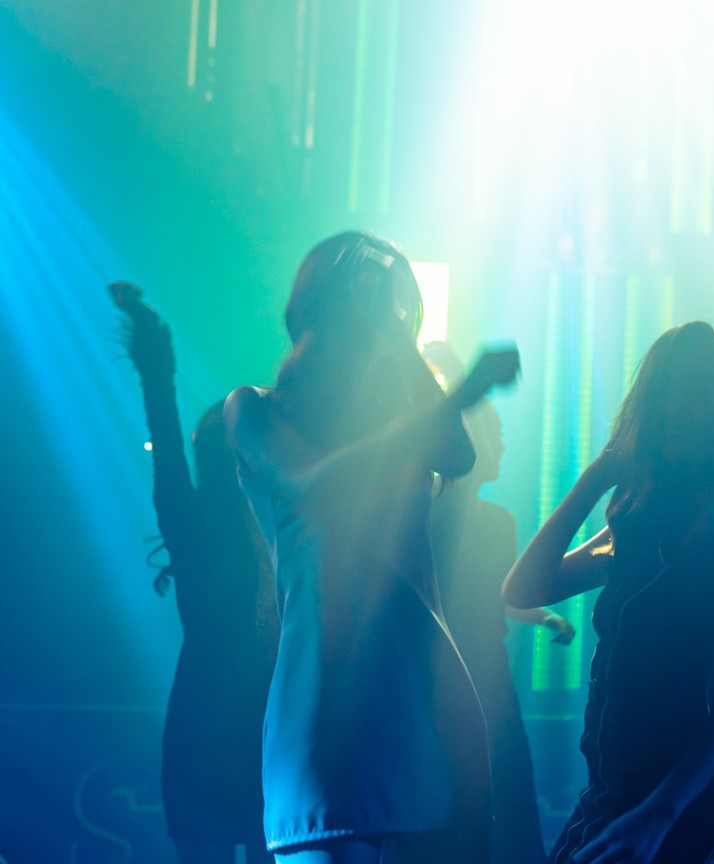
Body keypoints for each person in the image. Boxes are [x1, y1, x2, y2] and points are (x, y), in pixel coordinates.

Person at [224, 232, 520, 864]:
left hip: (432, 697)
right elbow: (316, 482)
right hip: (327, 710)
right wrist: (463, 390)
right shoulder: (254, 410)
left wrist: (396, 337)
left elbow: (459, 455)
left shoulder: (402, 424)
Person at [503, 321, 714, 864]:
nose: (681, 406)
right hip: (611, 795)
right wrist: (598, 475)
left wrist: (660, 812)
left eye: (701, 390)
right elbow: (524, 587)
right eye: (669, 389)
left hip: (660, 802)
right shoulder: (641, 514)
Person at [110, 282, 278, 864]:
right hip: (257, 716)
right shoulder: (273, 521)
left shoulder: (195, 517)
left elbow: (160, 406)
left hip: (210, 715)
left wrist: (155, 350)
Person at [423, 342, 575, 864]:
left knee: (504, 808)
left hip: (493, 680)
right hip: (456, 680)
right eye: (498, 436)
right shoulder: (439, 515)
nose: (506, 447)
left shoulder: (499, 522)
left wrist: (545, 615)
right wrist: (462, 381)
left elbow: (496, 600)